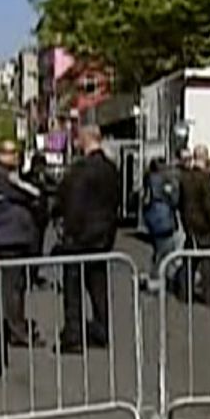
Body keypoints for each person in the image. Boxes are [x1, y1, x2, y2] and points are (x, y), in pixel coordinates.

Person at [56, 125, 120, 353]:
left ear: (84, 140)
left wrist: (68, 233)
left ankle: (73, 336)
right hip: (103, 237)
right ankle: (102, 330)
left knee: (73, 288)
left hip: (80, 238)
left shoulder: (80, 170)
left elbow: (70, 203)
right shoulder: (111, 169)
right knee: (98, 284)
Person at [0, 140, 42, 347]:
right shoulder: (2, 176)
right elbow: (31, 193)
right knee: (12, 289)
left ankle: (16, 326)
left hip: (13, 238)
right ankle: (16, 332)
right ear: (0, 155)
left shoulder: (6, 175)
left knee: (16, 287)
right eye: (12, 153)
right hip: (9, 240)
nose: (17, 156)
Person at [177, 145, 210, 303]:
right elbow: (209, 204)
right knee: (208, 263)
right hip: (206, 227)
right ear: (205, 157)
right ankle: (208, 296)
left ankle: (185, 294)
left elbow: (181, 202)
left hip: (190, 225)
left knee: (189, 262)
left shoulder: (185, 178)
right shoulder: (205, 178)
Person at [142, 157, 180, 284]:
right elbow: (173, 199)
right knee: (165, 250)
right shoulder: (164, 180)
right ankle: (156, 278)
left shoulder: (148, 178)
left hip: (152, 217)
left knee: (158, 250)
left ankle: (155, 276)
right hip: (163, 218)